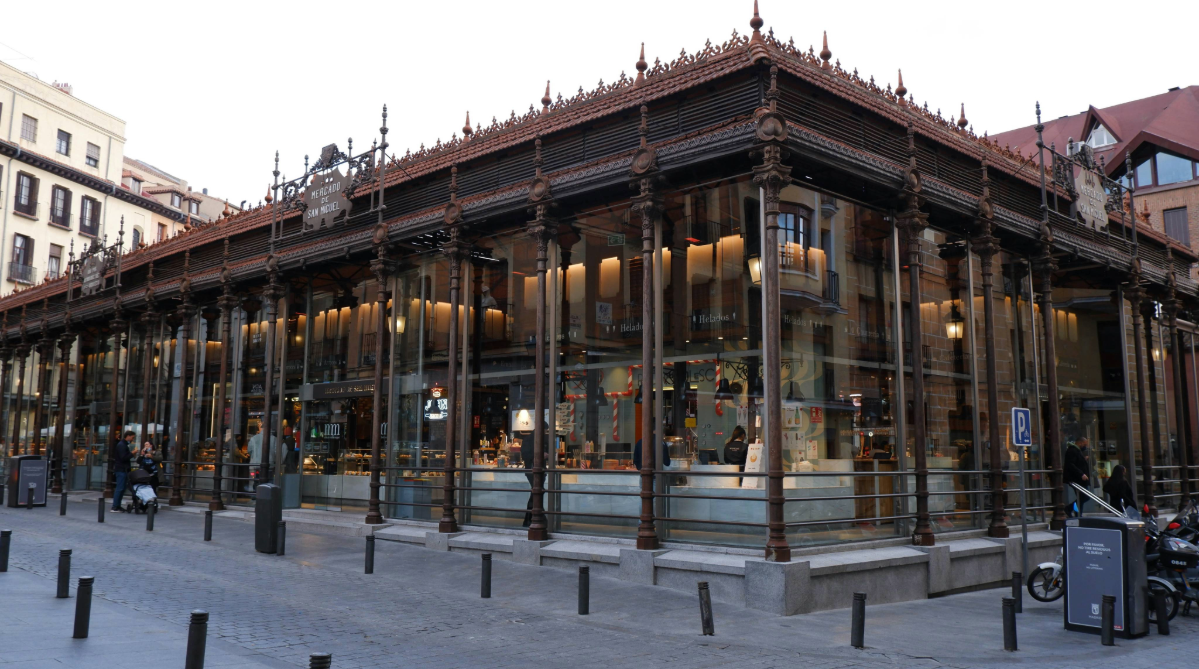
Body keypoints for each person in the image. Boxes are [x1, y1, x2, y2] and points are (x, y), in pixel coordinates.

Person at [111, 430, 136, 512]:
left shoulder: (124, 444)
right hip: (121, 469)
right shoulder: (122, 445)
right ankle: (115, 506)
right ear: (128, 436)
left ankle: (117, 505)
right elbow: (123, 457)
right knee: (120, 488)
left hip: (123, 469)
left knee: (122, 488)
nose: (132, 439)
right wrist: (132, 453)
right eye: (132, 437)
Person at [1064, 438, 1090, 516]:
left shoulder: (1076, 451)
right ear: (1080, 443)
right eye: (1085, 444)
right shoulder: (1072, 451)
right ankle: (1069, 508)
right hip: (1077, 479)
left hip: (1079, 478)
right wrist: (1081, 474)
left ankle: (1078, 513)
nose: (1085, 446)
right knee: (1084, 496)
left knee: (1081, 497)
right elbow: (1071, 464)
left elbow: (1076, 462)